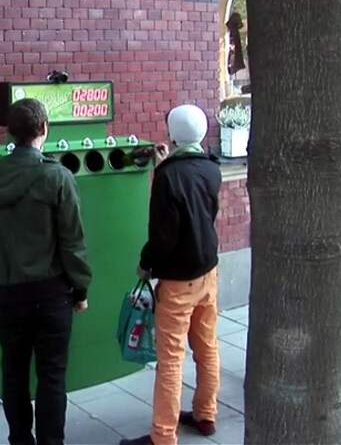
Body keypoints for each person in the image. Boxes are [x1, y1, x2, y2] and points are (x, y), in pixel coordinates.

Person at [0, 98, 92, 445]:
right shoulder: (57, 177)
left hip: (7, 295)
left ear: (10, 131)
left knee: (14, 372)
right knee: (52, 376)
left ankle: (20, 440)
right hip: (51, 294)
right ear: (43, 129)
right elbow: (73, 242)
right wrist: (80, 290)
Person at [121, 104, 222, 445]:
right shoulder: (211, 169)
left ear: (173, 134)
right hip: (208, 272)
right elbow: (193, 201)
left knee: (171, 360)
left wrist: (146, 264)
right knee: (207, 347)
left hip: (178, 281)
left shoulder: (168, 177)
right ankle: (206, 415)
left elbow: (163, 235)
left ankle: (163, 436)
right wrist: (166, 164)